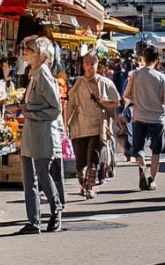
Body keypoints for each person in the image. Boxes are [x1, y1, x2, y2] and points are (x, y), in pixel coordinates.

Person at [16, 37, 64, 235]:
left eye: (30, 49)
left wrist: (30, 112)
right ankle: (33, 221)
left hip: (42, 133)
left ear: (41, 54)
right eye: (25, 48)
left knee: (42, 173)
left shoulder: (43, 74)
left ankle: (56, 209)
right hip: (31, 132)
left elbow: (55, 108)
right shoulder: (34, 73)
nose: (25, 51)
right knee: (29, 178)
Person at [66, 52, 121, 199]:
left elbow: (117, 102)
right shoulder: (78, 84)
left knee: (93, 160)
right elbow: (70, 105)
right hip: (79, 127)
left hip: (98, 127)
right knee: (80, 163)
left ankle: (89, 187)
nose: (90, 66)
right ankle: (83, 185)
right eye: (87, 63)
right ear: (83, 65)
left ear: (98, 64)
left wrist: (103, 101)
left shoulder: (106, 83)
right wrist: (66, 125)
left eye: (93, 63)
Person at [124, 44, 165, 191]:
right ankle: (152, 179)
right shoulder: (162, 77)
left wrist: (138, 98)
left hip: (139, 116)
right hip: (156, 118)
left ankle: (142, 167)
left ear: (143, 58)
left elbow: (127, 94)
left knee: (138, 148)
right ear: (158, 59)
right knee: (156, 151)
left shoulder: (136, 74)